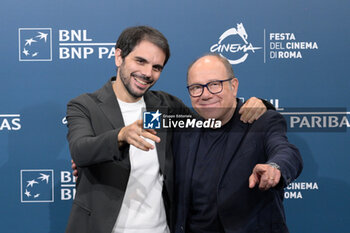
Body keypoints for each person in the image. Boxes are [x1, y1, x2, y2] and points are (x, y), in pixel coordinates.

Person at [65, 26, 269, 233]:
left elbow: (213, 123)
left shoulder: (166, 105)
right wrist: (121, 135)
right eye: (140, 61)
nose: (147, 73)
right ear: (119, 57)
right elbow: (81, 150)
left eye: (156, 67)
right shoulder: (85, 105)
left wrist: (260, 105)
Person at [173, 54, 303, 233]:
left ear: (233, 86)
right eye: (196, 87)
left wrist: (274, 167)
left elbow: (286, 151)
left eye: (214, 85)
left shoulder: (262, 121)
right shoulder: (183, 130)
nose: (205, 94)